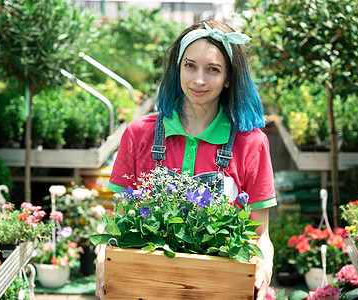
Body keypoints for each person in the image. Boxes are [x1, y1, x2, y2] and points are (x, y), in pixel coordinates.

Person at [96, 19, 277, 300]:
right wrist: (103, 259)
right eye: (190, 66)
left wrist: (264, 268)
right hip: (147, 286)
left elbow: (260, 235)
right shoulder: (138, 133)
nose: (199, 80)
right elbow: (117, 223)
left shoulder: (251, 143)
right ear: (177, 68)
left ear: (229, 77)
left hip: (218, 287)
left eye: (213, 70)